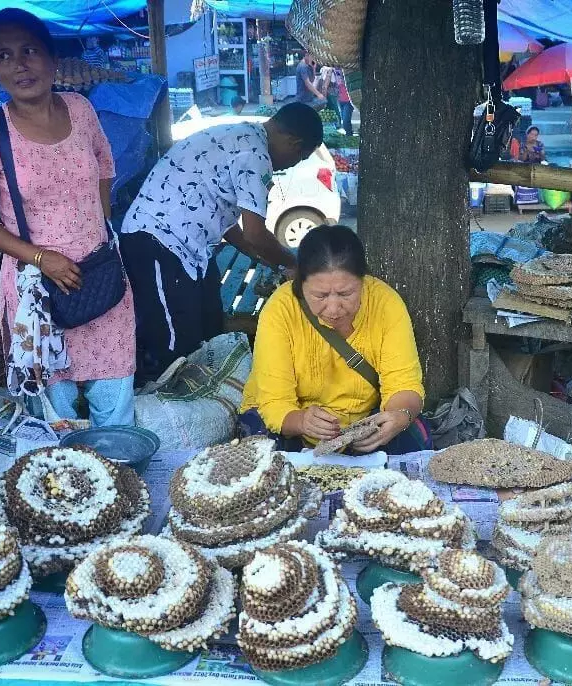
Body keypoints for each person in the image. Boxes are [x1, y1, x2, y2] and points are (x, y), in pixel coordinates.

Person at [0, 8, 135, 425]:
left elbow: (105, 165)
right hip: (38, 294)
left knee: (115, 405)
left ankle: (119, 466)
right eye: (4, 56)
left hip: (99, 279)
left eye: (29, 50)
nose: (19, 65)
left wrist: (97, 233)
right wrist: (42, 258)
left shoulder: (80, 109)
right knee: (55, 421)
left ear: (53, 59)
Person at [119, 103, 323, 382]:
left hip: (190, 249)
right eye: (298, 159)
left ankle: (208, 395)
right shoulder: (255, 154)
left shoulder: (241, 135)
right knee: (173, 346)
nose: (290, 166)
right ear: (294, 144)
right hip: (156, 241)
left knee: (209, 325)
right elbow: (255, 233)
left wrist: (265, 258)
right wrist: (294, 264)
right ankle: (166, 402)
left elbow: (231, 226)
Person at [240, 225, 430, 455]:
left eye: (345, 294)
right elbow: (274, 401)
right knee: (261, 453)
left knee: (413, 433)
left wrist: (399, 415)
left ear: (363, 281)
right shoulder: (280, 310)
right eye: (320, 296)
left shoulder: (385, 303)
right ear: (300, 284)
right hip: (292, 423)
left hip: (361, 422)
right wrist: (301, 421)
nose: (333, 309)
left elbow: (404, 383)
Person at [334, 68, 354, 134]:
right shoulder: (335, 71)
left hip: (348, 100)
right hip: (340, 100)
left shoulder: (347, 71)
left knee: (346, 121)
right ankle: (349, 135)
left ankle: (349, 135)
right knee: (344, 120)